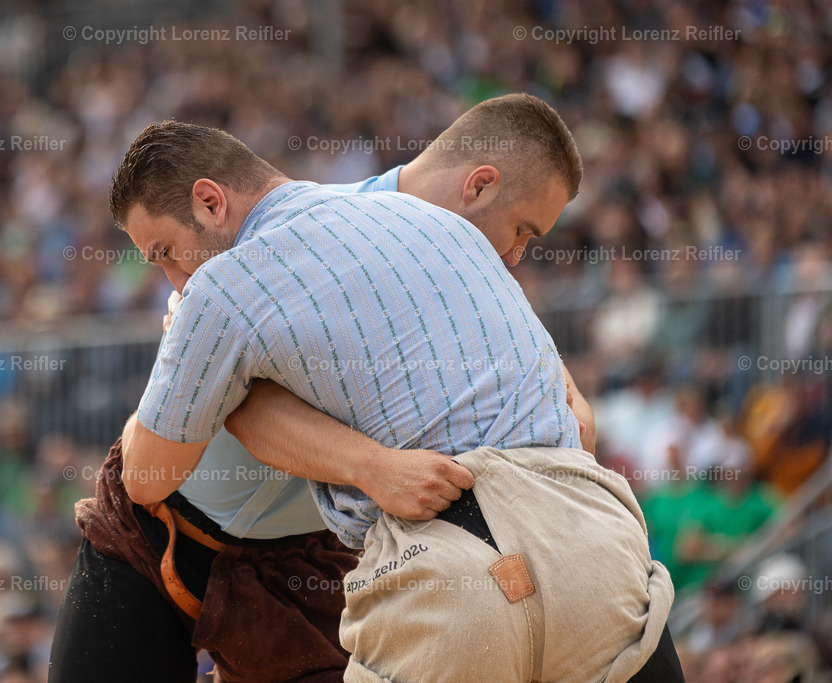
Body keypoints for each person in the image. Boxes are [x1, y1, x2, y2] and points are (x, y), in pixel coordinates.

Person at [50, 95, 644, 681]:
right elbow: (233, 411)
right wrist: (373, 467)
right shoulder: (277, 249)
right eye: (521, 229)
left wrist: (564, 391)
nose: (515, 256)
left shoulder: (433, 241)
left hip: (312, 553)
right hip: (167, 524)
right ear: (479, 185)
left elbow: (524, 359)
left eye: (164, 256)